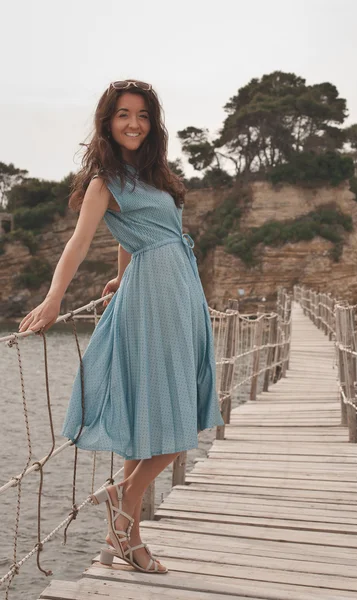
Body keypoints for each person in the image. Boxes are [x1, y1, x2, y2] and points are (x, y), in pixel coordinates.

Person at [18, 79, 225, 574]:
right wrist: (53, 300)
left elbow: (134, 237)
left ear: (153, 124)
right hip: (156, 298)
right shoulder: (104, 182)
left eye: (143, 115)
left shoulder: (156, 175)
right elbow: (78, 242)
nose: (134, 123)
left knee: (163, 414)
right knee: (175, 418)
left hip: (179, 290)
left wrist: (120, 274)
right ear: (107, 123)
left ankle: (125, 537)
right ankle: (123, 494)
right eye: (123, 115)